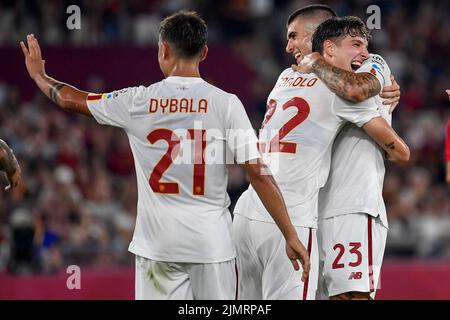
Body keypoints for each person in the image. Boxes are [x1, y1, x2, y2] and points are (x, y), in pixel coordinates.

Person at [20, 11, 310, 300]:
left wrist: (39, 76)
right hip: (211, 245)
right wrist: (289, 233)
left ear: (163, 49)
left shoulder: (137, 101)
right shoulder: (226, 104)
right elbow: (258, 173)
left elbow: (71, 100)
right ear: (205, 52)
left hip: (157, 247)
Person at [233, 15, 409, 300]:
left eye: (294, 36)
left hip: (251, 208)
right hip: (299, 212)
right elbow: (399, 149)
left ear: (321, 41)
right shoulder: (337, 90)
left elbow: (363, 81)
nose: (290, 46)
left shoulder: (285, 78)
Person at [289, 5, 410, 300]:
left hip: (355, 206)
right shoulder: (297, 82)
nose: (364, 52)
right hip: (311, 211)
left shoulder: (371, 67)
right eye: (356, 44)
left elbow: (401, 153)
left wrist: (315, 61)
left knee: (351, 296)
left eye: (295, 36)